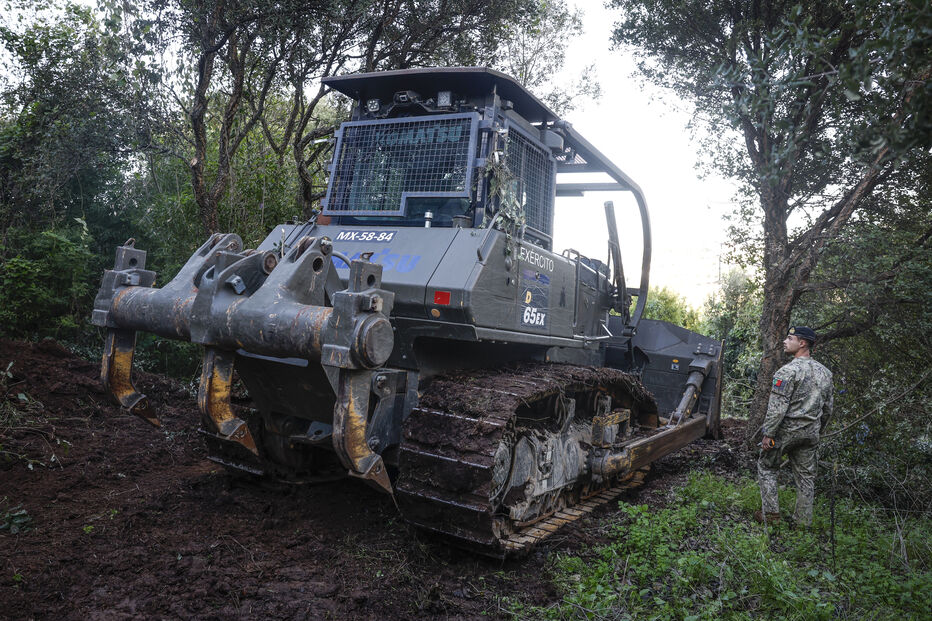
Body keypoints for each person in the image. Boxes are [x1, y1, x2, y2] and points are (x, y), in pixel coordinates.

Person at [756, 326, 833, 527]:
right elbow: (828, 409)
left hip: (785, 433)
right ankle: (802, 524)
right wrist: (817, 430)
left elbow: (777, 409)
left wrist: (768, 434)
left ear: (802, 343)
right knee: (806, 478)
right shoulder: (825, 373)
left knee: (766, 467)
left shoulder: (787, 371)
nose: (784, 341)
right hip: (810, 433)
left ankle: (771, 516)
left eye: (790, 338)